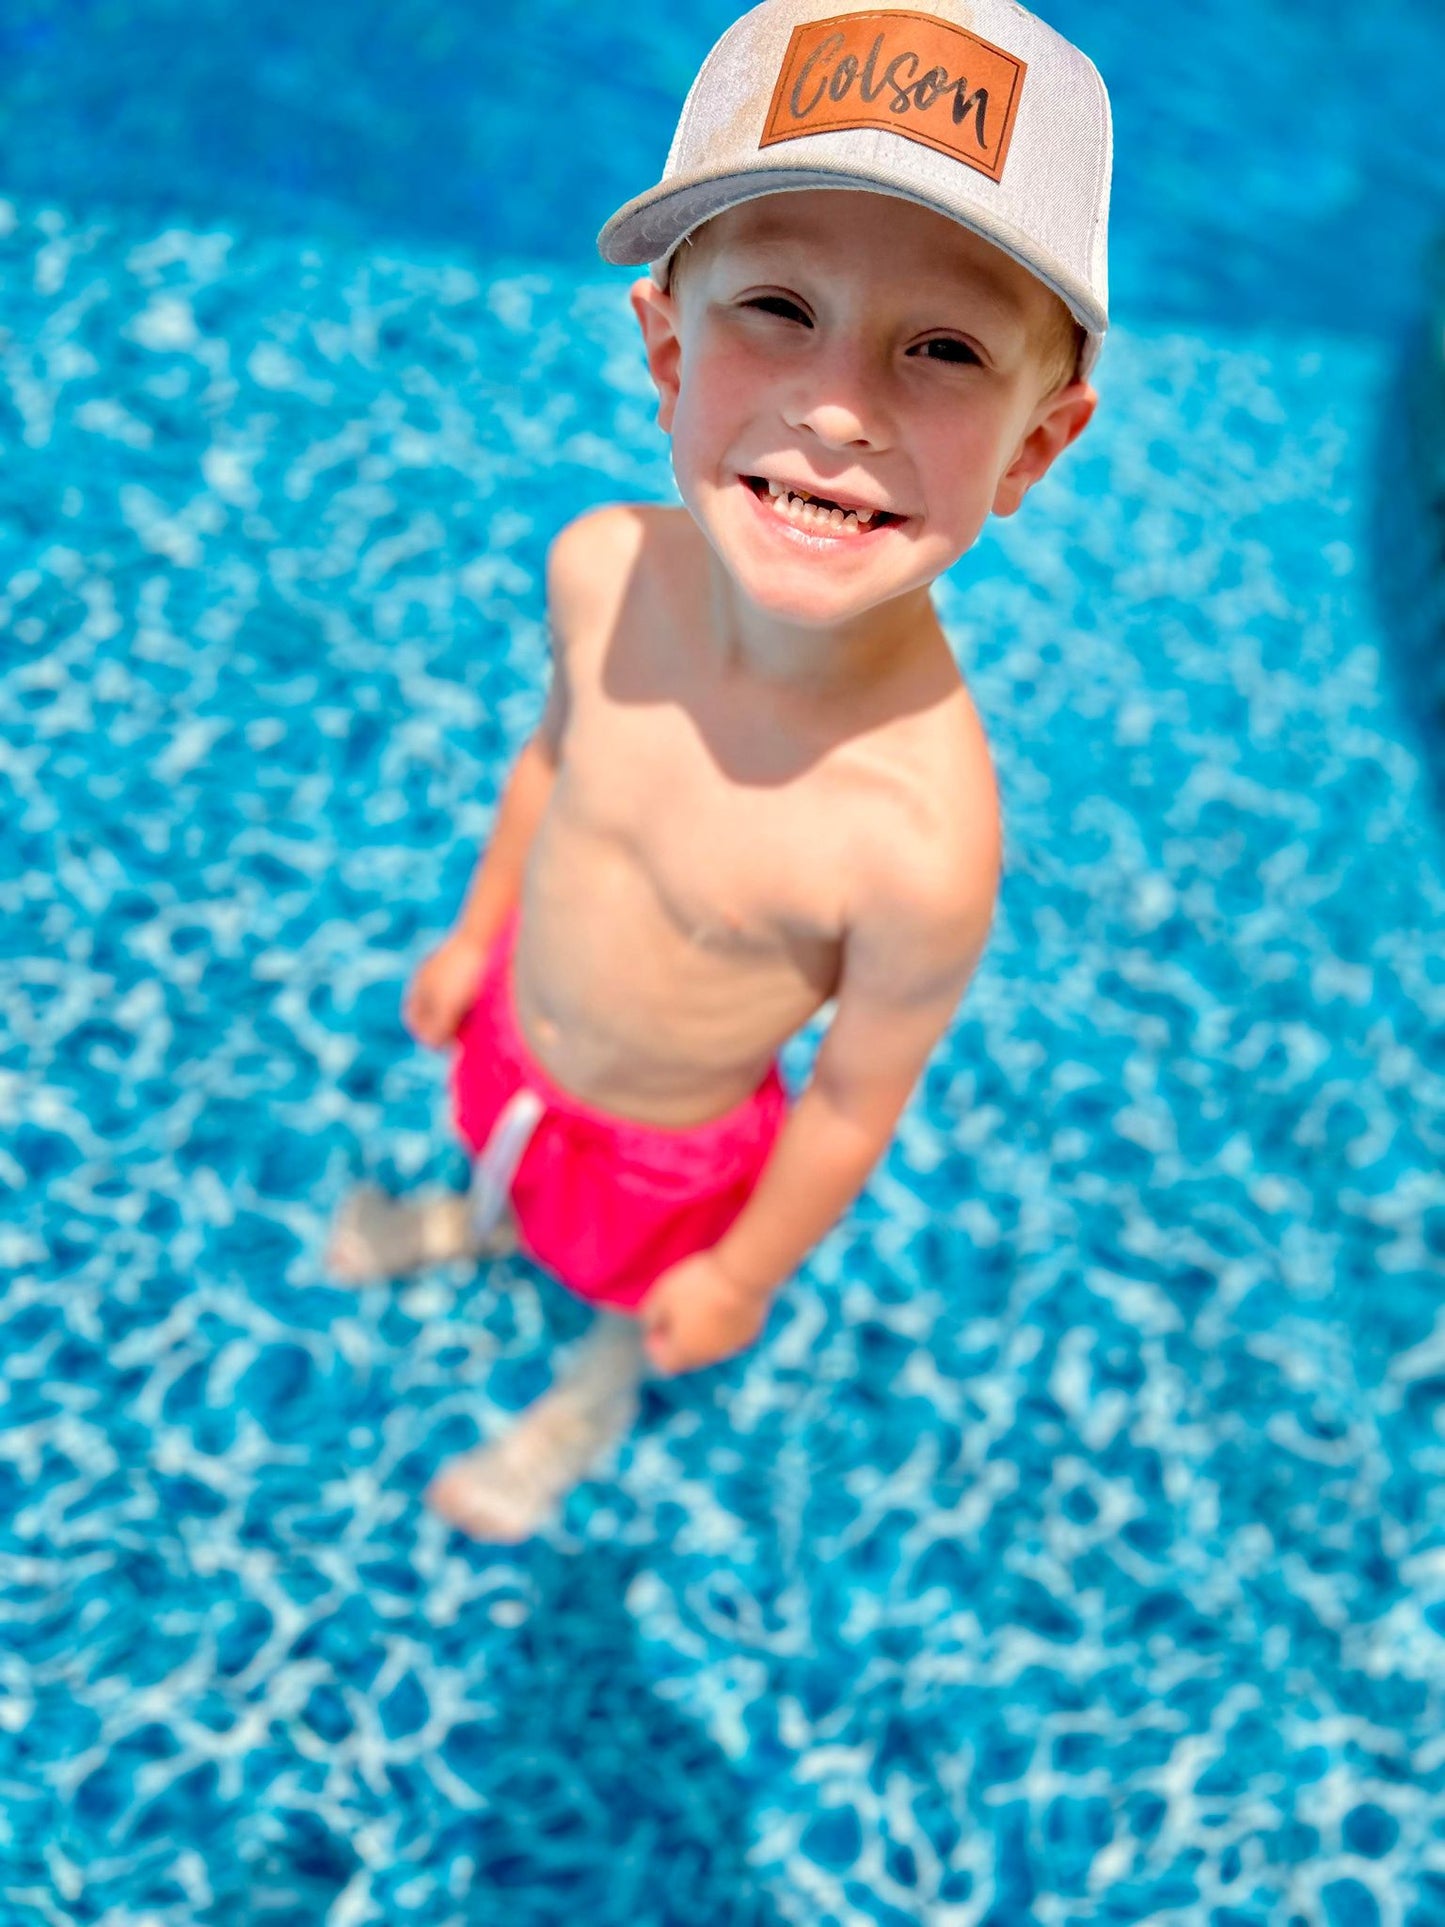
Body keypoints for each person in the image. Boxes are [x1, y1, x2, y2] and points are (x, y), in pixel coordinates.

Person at [328, 0, 1112, 1541]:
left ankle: (588, 1397)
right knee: (495, 1164)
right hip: (516, 1036)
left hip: (668, 1156)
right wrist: (477, 937)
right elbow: (551, 766)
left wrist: (739, 1272)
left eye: (943, 349)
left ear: (1032, 448)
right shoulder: (600, 570)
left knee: (626, 1305)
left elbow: (847, 1107)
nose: (837, 405)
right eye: (775, 308)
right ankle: (475, 1224)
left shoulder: (916, 838)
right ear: (667, 347)